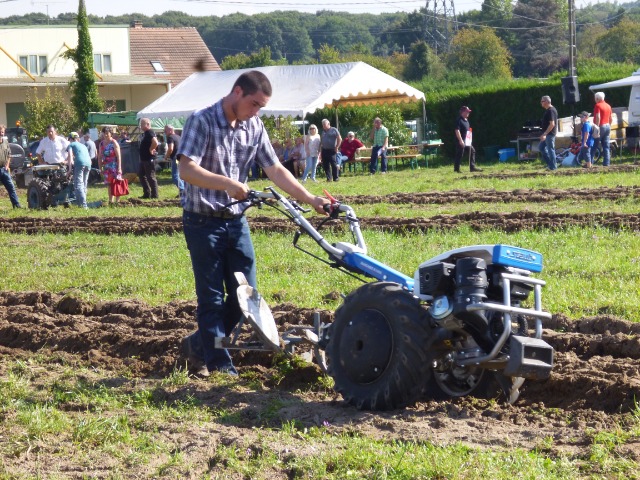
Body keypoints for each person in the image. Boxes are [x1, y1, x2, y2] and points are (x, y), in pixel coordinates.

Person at [177, 70, 329, 377]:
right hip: (202, 221)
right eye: (255, 104)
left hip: (236, 221)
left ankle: (197, 345)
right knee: (211, 297)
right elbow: (187, 170)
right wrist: (228, 184)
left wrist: (311, 199)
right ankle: (219, 367)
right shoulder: (202, 120)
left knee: (246, 296)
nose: (257, 111)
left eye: (261, 106)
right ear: (237, 93)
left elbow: (274, 169)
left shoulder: (254, 126)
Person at [97, 126, 123, 206]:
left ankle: (117, 201)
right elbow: (100, 156)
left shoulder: (114, 142)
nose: (105, 135)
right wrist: (100, 167)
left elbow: (118, 156)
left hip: (114, 166)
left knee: (117, 183)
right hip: (107, 167)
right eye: (104, 133)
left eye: (107, 133)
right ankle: (110, 200)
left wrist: (119, 167)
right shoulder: (101, 144)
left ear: (110, 134)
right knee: (109, 184)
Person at [66, 132, 91, 208]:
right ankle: (83, 203)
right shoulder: (83, 145)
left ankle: (83, 205)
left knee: (78, 184)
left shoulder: (71, 145)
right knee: (84, 183)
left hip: (79, 163)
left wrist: (70, 169)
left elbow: (70, 156)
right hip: (88, 163)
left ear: (70, 139)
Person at [453, 106, 482, 173]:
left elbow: (468, 130)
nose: (468, 113)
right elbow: (457, 131)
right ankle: (456, 169)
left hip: (467, 141)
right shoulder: (459, 120)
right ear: (463, 112)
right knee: (460, 154)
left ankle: (472, 167)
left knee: (472, 151)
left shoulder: (466, 121)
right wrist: (460, 140)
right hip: (461, 141)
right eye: (467, 111)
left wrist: (469, 139)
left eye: (469, 112)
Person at [0, 124, 22, 209]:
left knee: (11, 187)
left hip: (4, 169)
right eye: (0, 132)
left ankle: (16, 205)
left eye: (2, 132)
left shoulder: (5, 142)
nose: (1, 133)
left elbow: (9, 154)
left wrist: (7, 165)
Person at [138, 117, 159, 199]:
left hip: (148, 159)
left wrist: (151, 149)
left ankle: (155, 195)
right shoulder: (146, 133)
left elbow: (155, 142)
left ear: (147, 124)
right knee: (141, 175)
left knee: (150, 176)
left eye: (142, 124)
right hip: (144, 159)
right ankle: (147, 193)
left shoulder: (150, 132)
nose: (140, 126)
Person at [593, 91, 613, 167]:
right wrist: (609, 126)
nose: (595, 100)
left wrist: (596, 128)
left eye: (595, 98)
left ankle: (590, 162)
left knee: (594, 144)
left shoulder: (597, 105)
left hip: (600, 126)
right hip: (607, 125)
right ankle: (606, 163)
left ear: (597, 98)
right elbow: (611, 118)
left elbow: (598, 117)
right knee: (606, 146)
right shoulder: (608, 106)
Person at [539, 95, 558, 171]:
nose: (541, 103)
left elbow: (552, 124)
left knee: (550, 150)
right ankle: (550, 164)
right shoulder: (549, 110)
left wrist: (545, 134)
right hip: (547, 134)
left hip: (549, 134)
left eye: (542, 101)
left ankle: (553, 166)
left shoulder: (551, 111)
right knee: (541, 148)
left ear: (547, 102)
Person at [164, 124, 184, 196]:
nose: (164, 132)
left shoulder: (170, 137)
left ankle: (182, 190)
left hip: (175, 157)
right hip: (181, 157)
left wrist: (166, 156)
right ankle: (183, 190)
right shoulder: (179, 137)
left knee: (175, 175)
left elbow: (171, 148)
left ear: (170, 130)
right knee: (181, 175)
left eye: (165, 131)